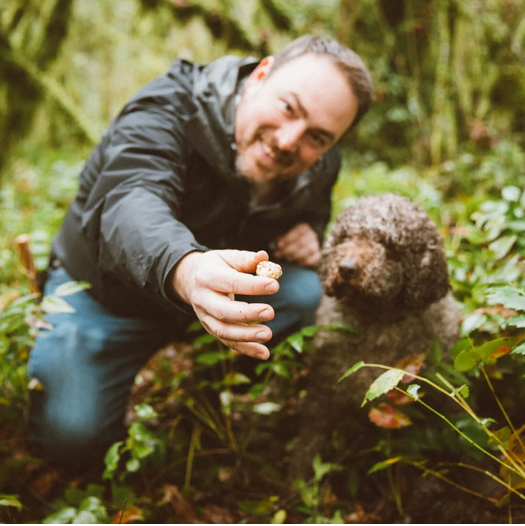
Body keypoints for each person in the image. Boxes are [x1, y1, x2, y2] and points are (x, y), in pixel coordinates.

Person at [27, 35, 373, 470]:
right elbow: (129, 201)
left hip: (215, 300)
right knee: (72, 438)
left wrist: (310, 233)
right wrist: (185, 268)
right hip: (106, 296)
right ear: (260, 76)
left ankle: (211, 388)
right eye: (289, 108)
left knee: (307, 294)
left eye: (317, 137)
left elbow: (312, 212)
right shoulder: (168, 107)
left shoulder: (321, 160)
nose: (289, 141)